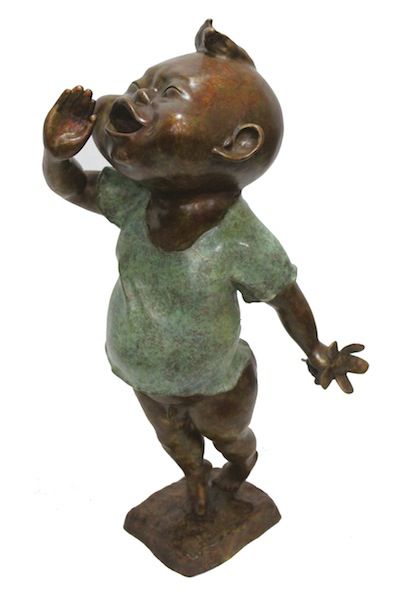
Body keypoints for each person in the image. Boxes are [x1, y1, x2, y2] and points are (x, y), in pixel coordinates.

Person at [43, 19, 368, 516]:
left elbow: (286, 297)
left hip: (219, 379)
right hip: (144, 373)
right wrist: (56, 155)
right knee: (174, 440)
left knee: (230, 436)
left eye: (168, 93)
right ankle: (195, 481)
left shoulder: (240, 238)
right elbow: (72, 187)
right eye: (139, 86)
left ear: (237, 145)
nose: (137, 97)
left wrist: (317, 350)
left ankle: (240, 466)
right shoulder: (135, 199)